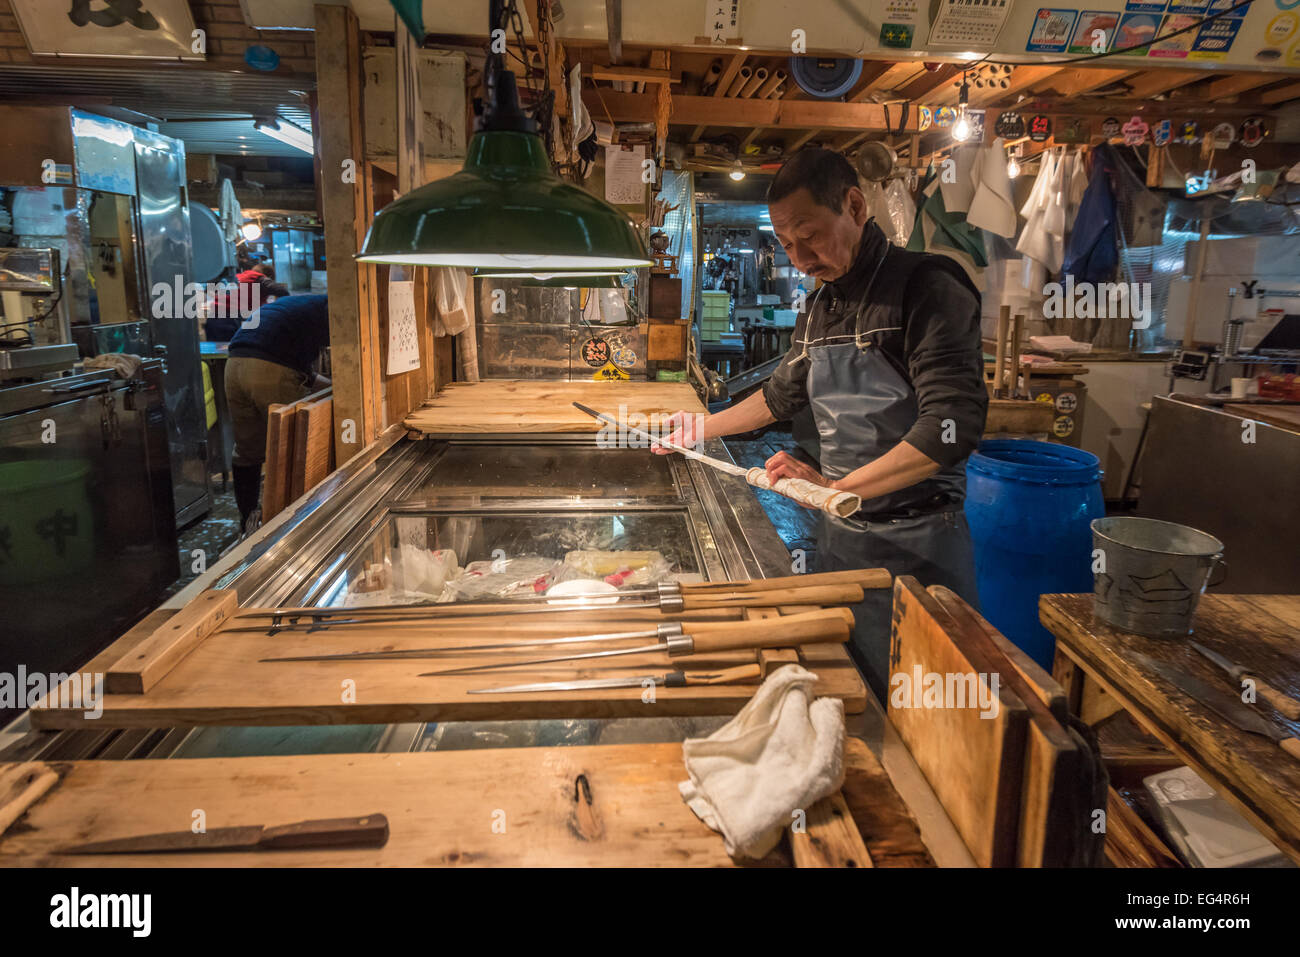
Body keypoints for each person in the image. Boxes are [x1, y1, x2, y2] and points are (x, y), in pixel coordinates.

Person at [658, 148, 988, 700]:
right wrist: (699, 428)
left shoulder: (926, 285)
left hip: (919, 546)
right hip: (840, 539)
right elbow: (779, 397)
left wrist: (834, 488)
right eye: (786, 244)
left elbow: (949, 427)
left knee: (925, 708)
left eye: (809, 236)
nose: (799, 257)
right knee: (851, 693)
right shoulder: (819, 307)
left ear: (855, 206)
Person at [224, 294, 331, 528]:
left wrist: (335, 387)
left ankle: (248, 523)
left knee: (247, 450)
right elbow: (281, 366)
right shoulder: (333, 309)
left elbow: (304, 374)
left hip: (234, 364)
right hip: (270, 368)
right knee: (292, 446)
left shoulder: (300, 308)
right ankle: (292, 525)